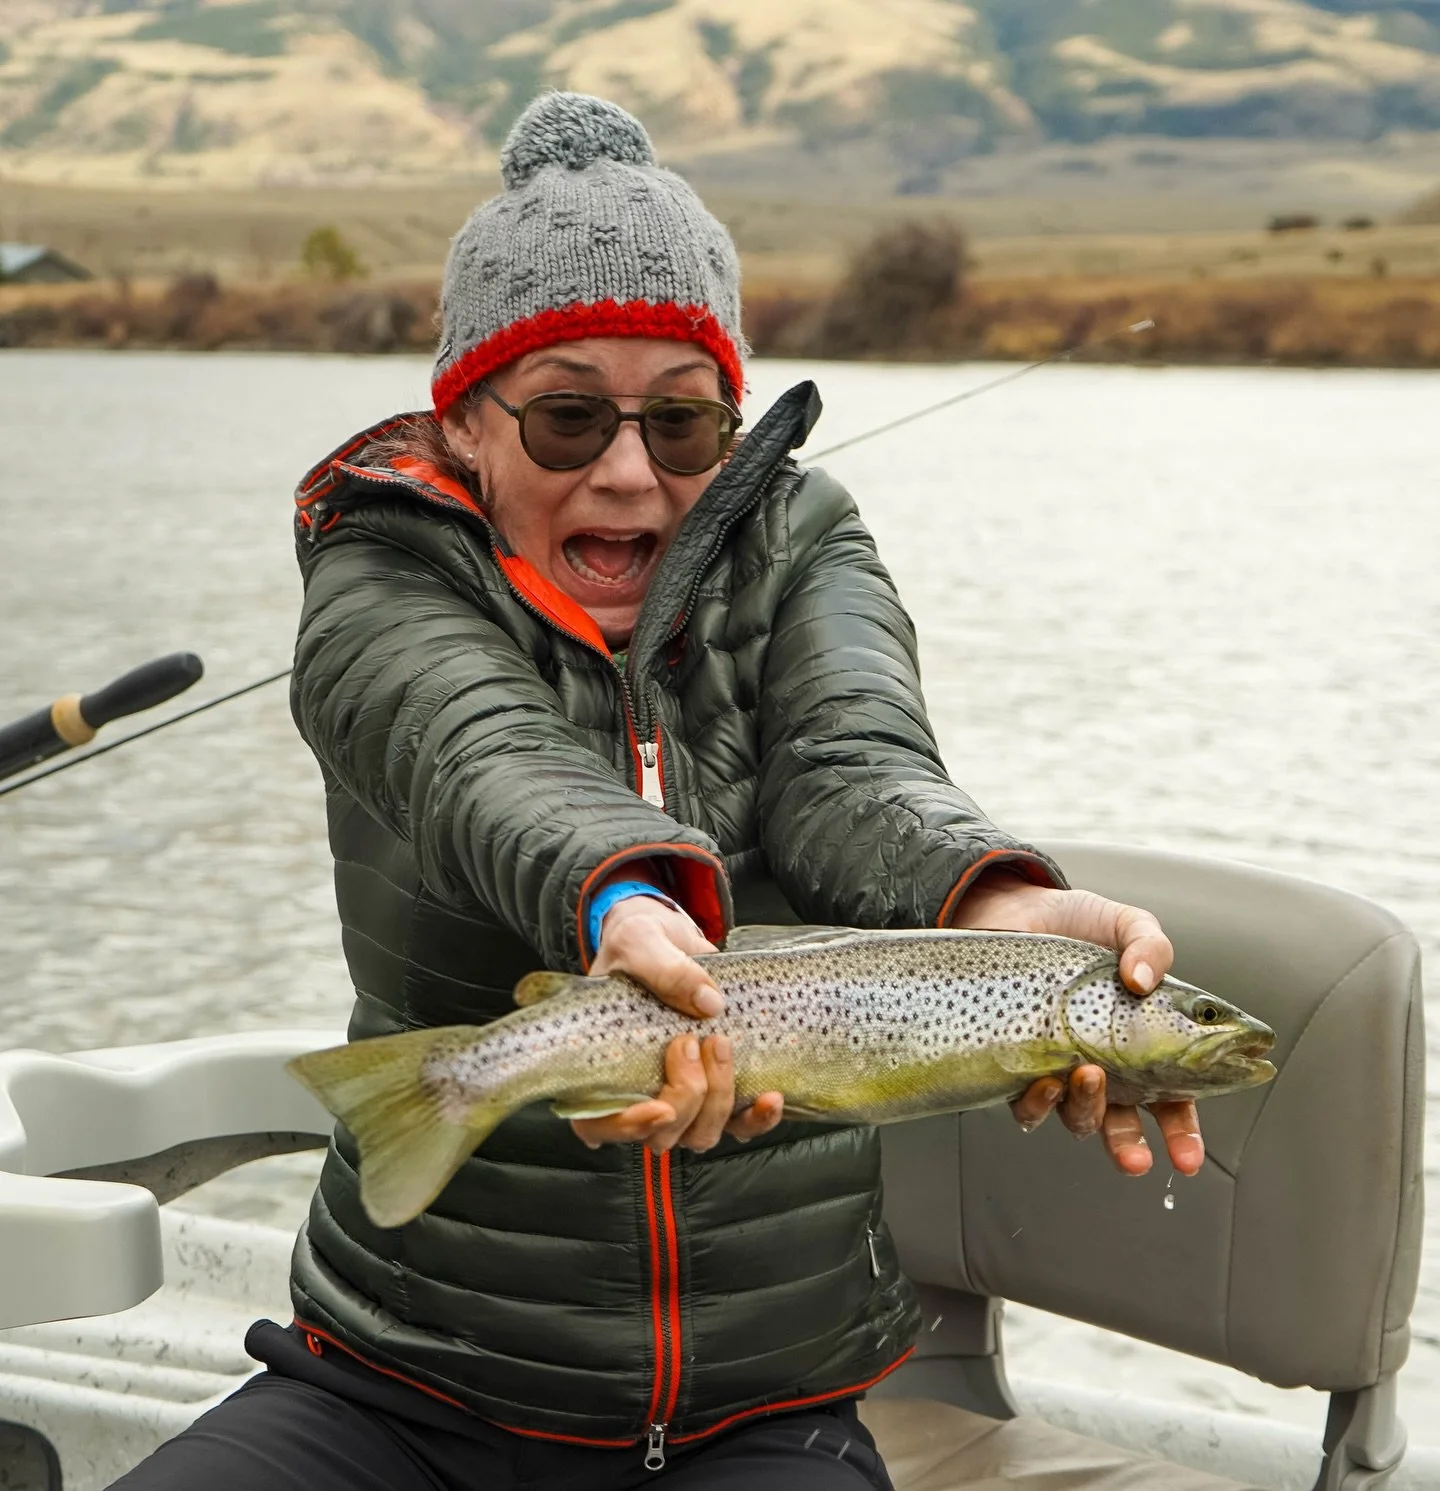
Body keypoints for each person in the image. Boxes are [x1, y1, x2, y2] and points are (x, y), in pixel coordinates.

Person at [110, 91, 1204, 1491]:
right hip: (399, 1378)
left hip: (767, 1404)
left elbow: (852, 768)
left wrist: (1004, 898)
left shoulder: (805, 544)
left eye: (683, 425)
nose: (629, 471)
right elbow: (479, 752)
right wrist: (626, 902)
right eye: (568, 417)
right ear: (468, 422)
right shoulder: (377, 565)